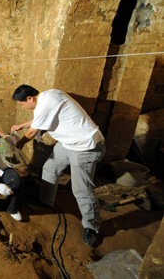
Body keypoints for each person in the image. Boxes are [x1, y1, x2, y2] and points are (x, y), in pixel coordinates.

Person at [11, 85, 105, 246]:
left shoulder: (46, 103)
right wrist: (23, 125)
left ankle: (92, 227)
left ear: (29, 99)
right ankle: (46, 201)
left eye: (22, 104)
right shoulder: (48, 95)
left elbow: (33, 133)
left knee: (82, 189)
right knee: (50, 168)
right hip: (69, 143)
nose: (23, 107)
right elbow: (41, 119)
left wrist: (16, 145)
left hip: (86, 146)